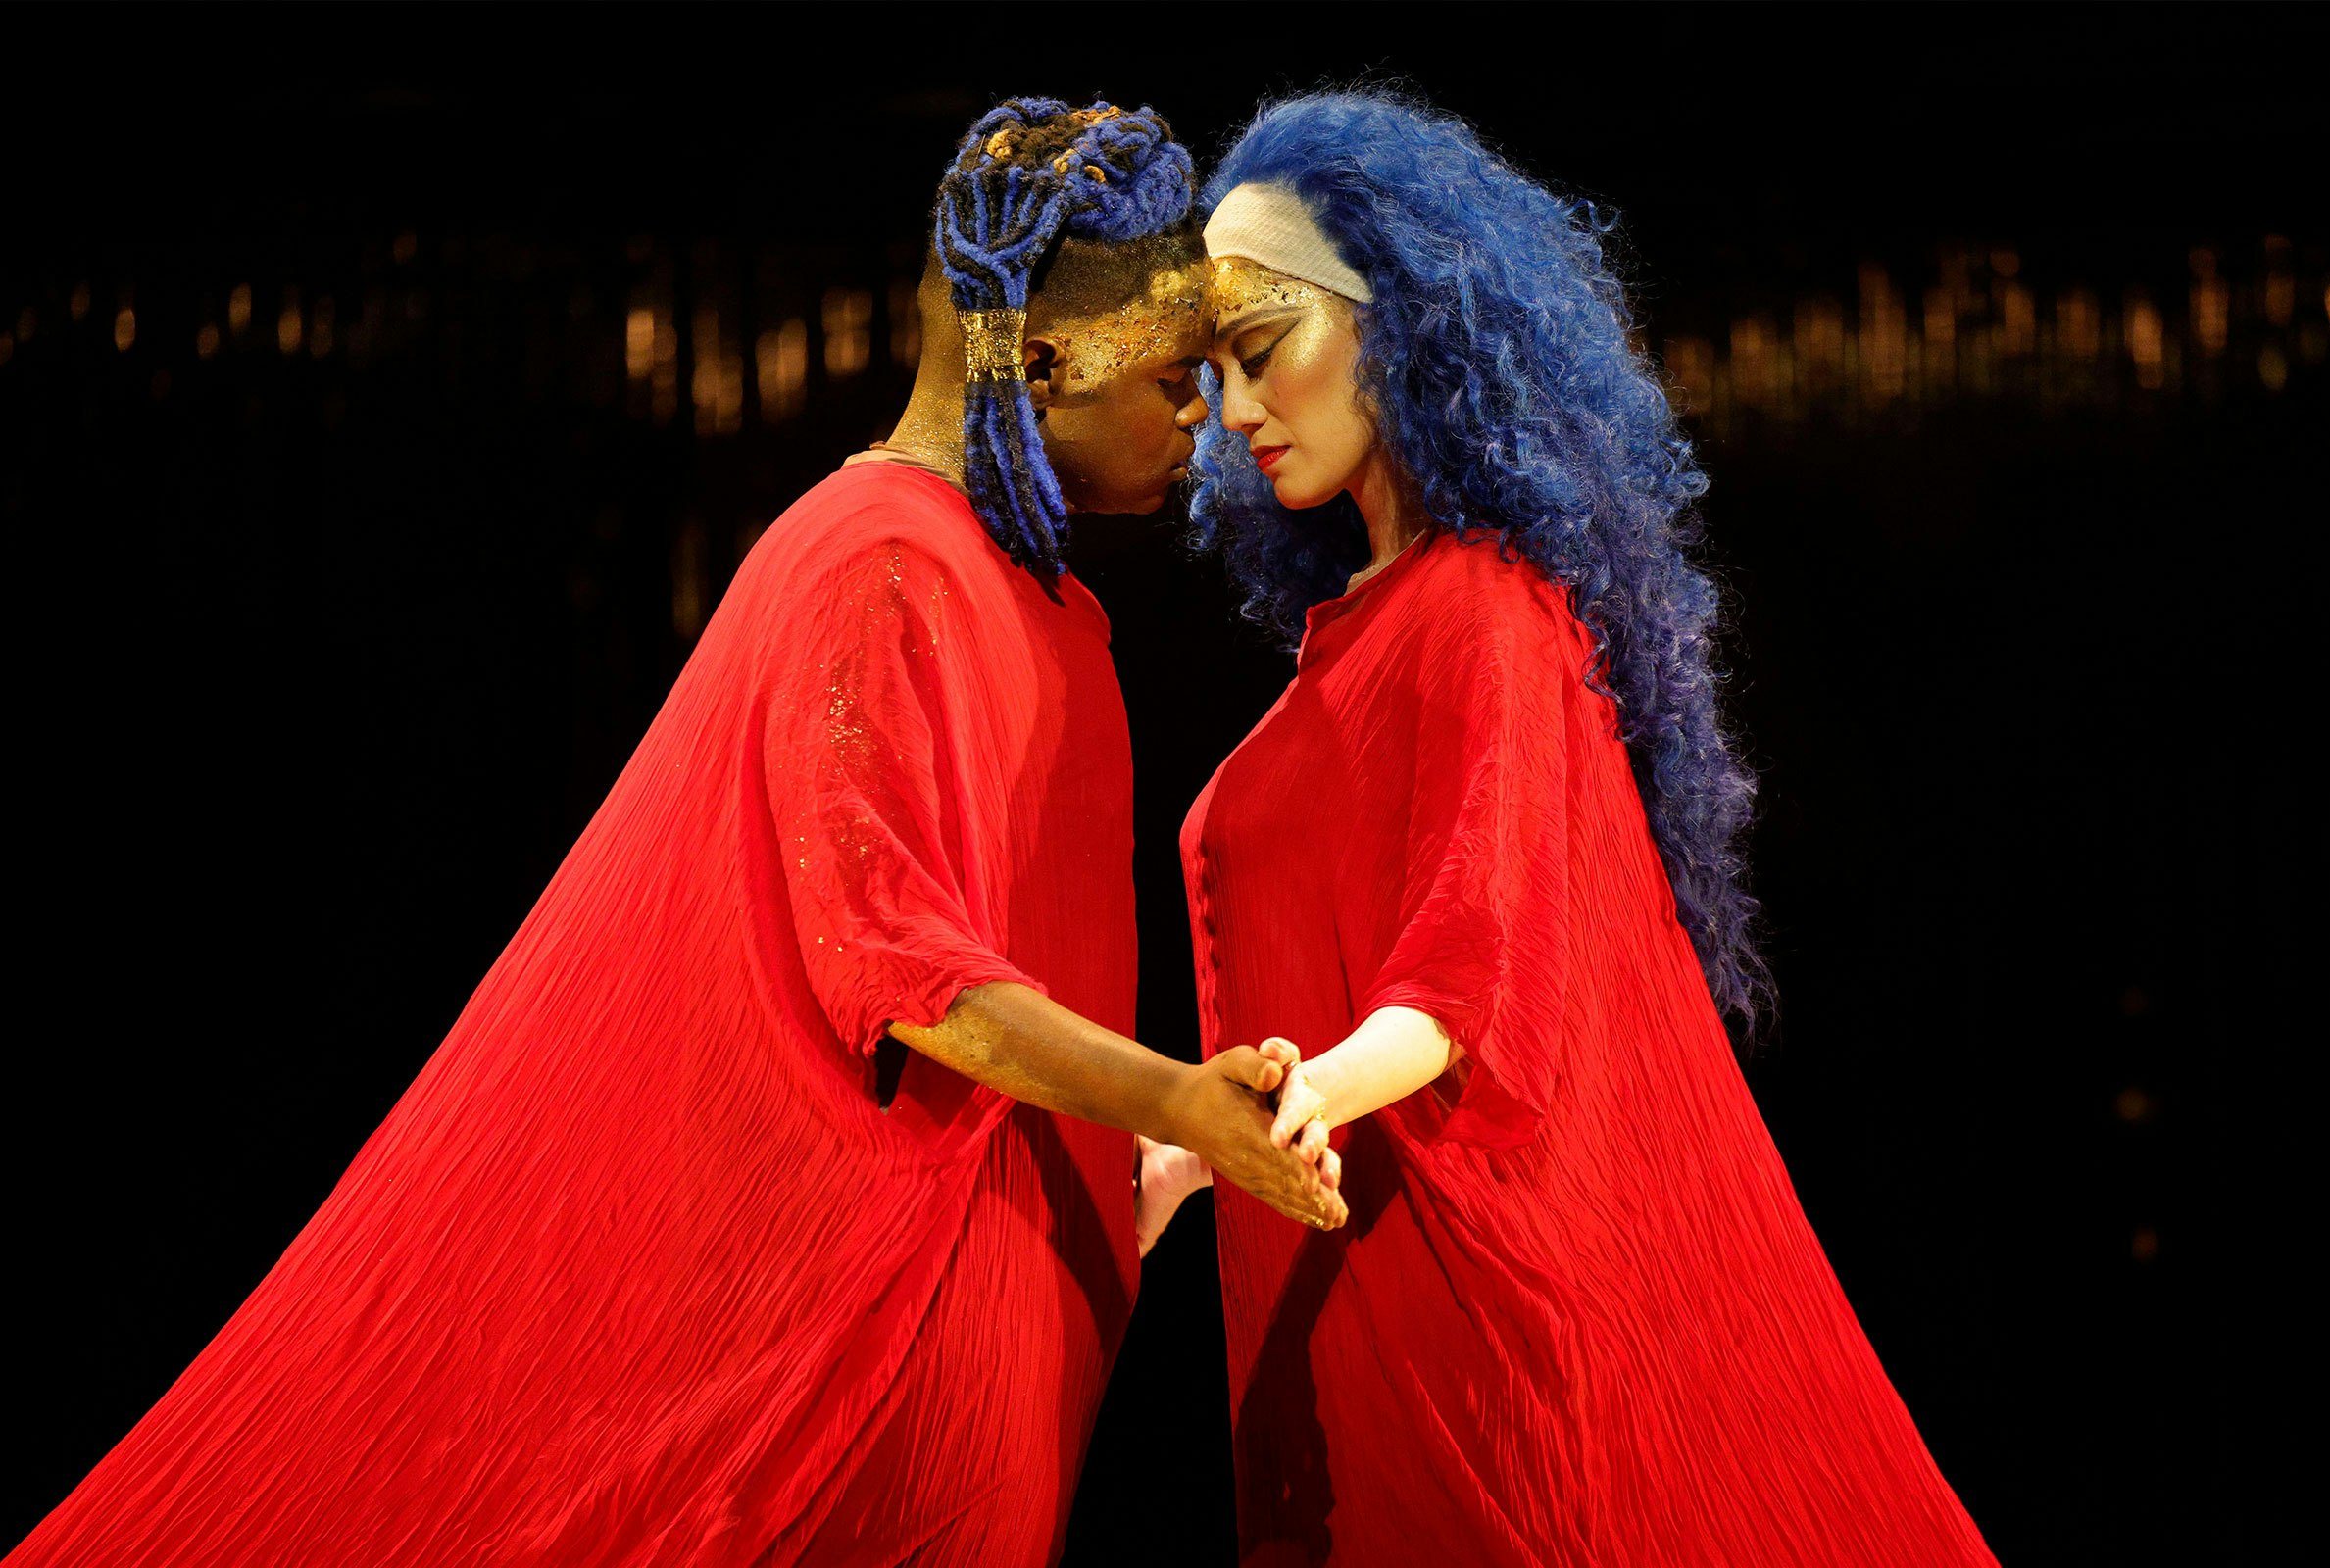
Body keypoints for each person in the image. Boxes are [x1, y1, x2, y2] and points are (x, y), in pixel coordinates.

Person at [9, 98, 1340, 1568]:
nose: (1198, 417)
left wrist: (1137, 1170)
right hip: (876, 1314)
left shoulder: (1036, 602)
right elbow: (896, 967)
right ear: (1036, 361)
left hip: (1006, 1283)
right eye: (1166, 378)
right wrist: (1175, 1103)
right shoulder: (881, 567)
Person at [1140, 92, 2000, 1565]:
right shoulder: (1365, 631)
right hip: (1350, 1277)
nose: (1233, 412)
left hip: (1470, 1297)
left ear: (1396, 321)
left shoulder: (1486, 611)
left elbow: (1471, 967)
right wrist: (1176, 1149)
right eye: (1213, 373)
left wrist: (1285, 1103)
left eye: (1263, 352)